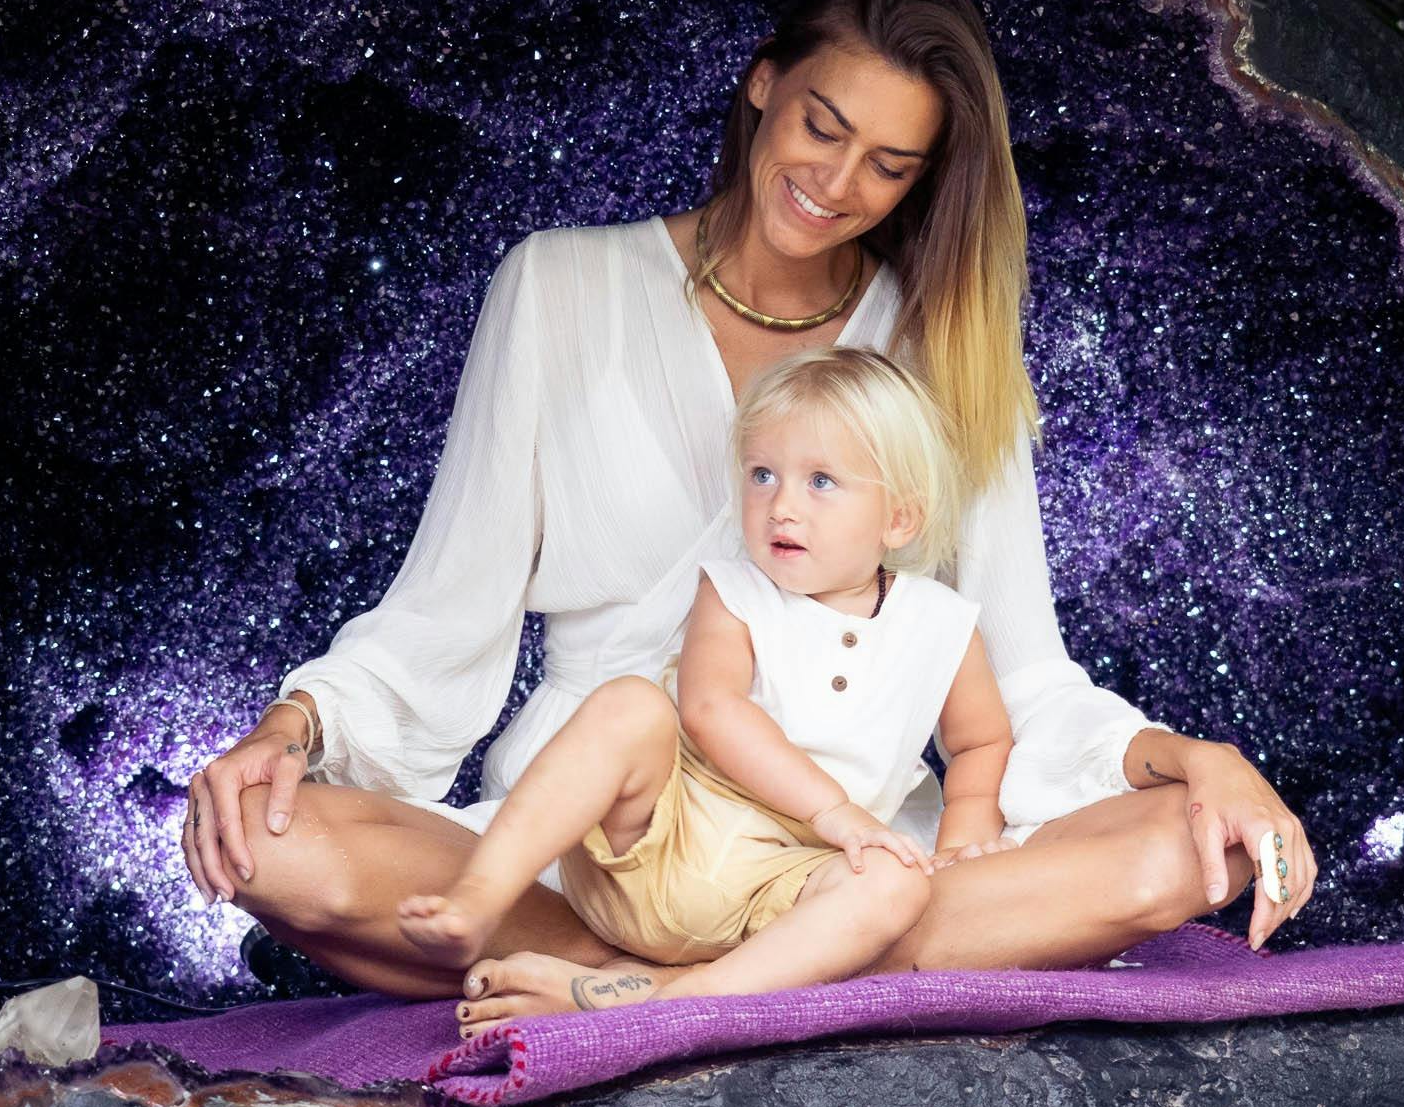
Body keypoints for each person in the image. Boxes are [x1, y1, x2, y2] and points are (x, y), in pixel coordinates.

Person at [180, 0, 1317, 1021]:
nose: (835, 183)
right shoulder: (558, 284)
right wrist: (291, 730)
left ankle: (667, 989)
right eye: (822, 128)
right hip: (590, 843)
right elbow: (444, 610)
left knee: (1189, 845)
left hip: (834, 861)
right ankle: (736, 985)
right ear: (763, 83)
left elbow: (1017, 678)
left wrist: (1188, 760)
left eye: (889, 165)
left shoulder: (946, 348)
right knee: (267, 845)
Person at [394, 347, 1013, 1013]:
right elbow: (711, 708)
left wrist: (962, 841)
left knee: (894, 885)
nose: (782, 506)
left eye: (822, 482)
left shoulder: (942, 625)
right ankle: (481, 895)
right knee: (629, 704)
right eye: (763, 474)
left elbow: (980, 742)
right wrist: (833, 809)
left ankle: (688, 998)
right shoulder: (735, 592)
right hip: (660, 846)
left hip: (783, 890)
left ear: (899, 518)